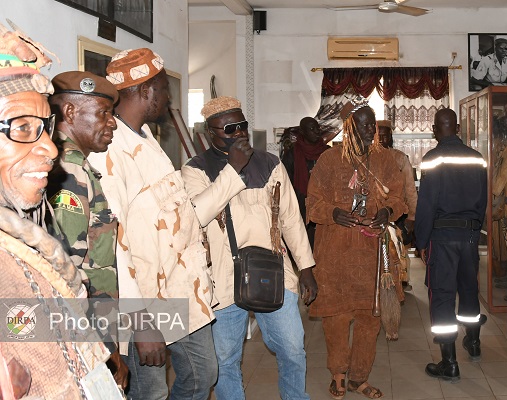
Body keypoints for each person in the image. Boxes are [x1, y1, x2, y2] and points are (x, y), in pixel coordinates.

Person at [86, 48, 218, 400]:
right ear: (146, 90)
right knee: (151, 393)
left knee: (203, 374)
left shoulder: (148, 139)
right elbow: (110, 245)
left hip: (178, 291)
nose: (168, 96)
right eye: (163, 87)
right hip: (142, 301)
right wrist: (140, 320)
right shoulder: (108, 150)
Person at [0, 22, 114, 399]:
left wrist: (98, 350)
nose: (50, 149)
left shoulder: (20, 234)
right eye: (20, 127)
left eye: (44, 127)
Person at [182, 96, 318, 400]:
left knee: (293, 351)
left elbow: (292, 219)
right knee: (225, 362)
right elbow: (197, 215)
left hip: (274, 273)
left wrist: (306, 268)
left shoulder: (270, 163)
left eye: (242, 125)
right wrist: (233, 168)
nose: (239, 133)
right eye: (230, 129)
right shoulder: (195, 170)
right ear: (209, 133)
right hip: (223, 280)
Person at [306, 99, 407, 399]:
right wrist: (334, 213)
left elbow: (399, 199)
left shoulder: (386, 160)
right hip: (335, 256)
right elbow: (312, 203)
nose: (368, 129)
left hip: (375, 255)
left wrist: (388, 212)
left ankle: (359, 379)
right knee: (336, 319)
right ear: (348, 127)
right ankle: (338, 375)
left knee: (370, 319)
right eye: (362, 123)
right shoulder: (328, 160)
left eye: (371, 123)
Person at [46, 70, 129, 387]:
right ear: (69, 112)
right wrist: (106, 349)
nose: (112, 123)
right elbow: (68, 272)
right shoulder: (70, 172)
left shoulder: (71, 166)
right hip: (87, 329)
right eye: (104, 113)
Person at [415, 108, 488, 382]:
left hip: (442, 239)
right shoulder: (477, 159)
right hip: (469, 238)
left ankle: (449, 363)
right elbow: (482, 202)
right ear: (457, 127)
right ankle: (475, 343)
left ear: (435, 130)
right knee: (470, 291)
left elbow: (426, 206)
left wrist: (420, 241)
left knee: (443, 297)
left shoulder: (433, 159)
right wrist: (474, 230)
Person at [377, 119, 417, 290]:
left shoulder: (400, 158)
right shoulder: (366, 158)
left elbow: (410, 189)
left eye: (385, 137)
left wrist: (413, 216)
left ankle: (402, 281)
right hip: (377, 213)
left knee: (399, 249)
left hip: (398, 212)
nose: (381, 140)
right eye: (379, 136)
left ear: (390, 137)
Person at [280, 116, 328, 248]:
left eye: (318, 128)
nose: (317, 131)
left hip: (324, 203)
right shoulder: (292, 153)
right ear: (302, 132)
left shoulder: (328, 152)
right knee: (303, 243)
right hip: (300, 204)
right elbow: (285, 182)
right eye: (312, 129)